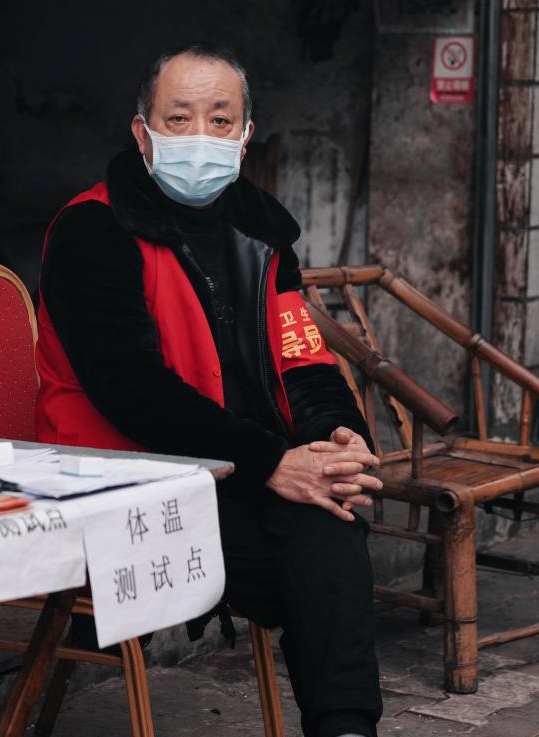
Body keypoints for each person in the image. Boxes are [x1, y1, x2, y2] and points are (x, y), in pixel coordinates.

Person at [36, 42, 383, 737]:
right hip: (126, 484)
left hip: (230, 477)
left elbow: (302, 356)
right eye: (179, 117)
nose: (201, 137)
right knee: (319, 552)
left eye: (220, 120)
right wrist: (272, 463)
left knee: (330, 515)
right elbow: (132, 391)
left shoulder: (260, 231)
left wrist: (339, 437)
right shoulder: (92, 230)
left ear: (246, 136)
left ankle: (347, 729)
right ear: (143, 133)